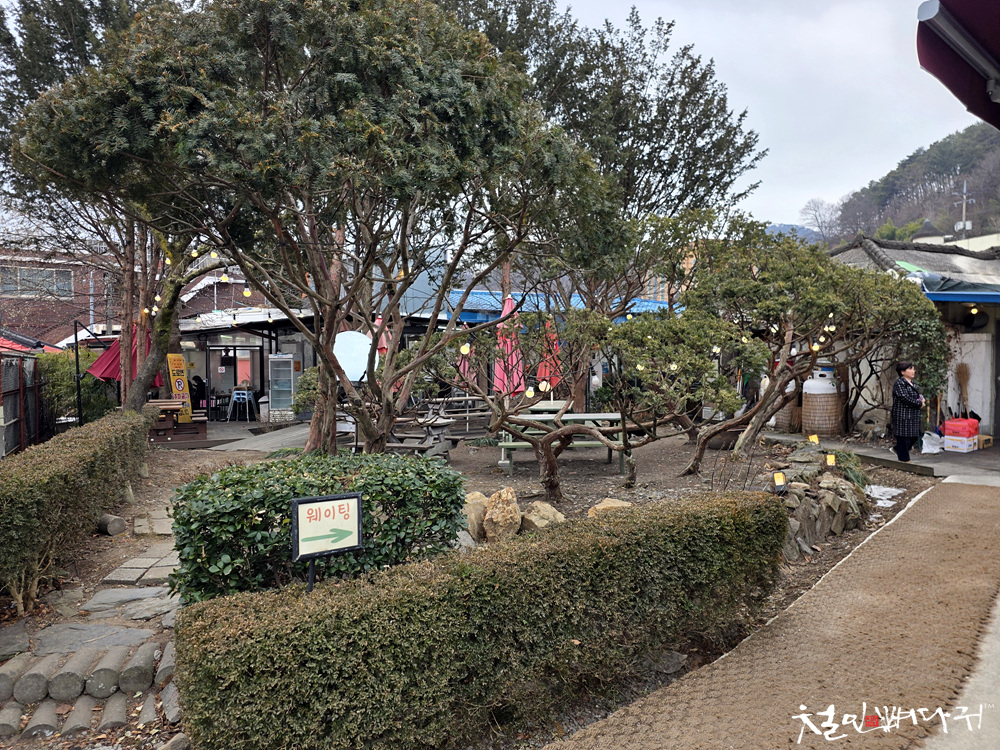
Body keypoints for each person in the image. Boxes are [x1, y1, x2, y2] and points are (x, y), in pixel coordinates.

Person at [891, 361, 925, 462]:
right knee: (904, 437)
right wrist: (919, 403)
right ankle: (904, 460)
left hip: (913, 414)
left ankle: (897, 449)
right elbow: (904, 398)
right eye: (910, 369)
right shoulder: (899, 383)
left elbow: (917, 395)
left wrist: (922, 400)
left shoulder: (913, 383)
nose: (913, 371)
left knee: (914, 436)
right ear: (902, 372)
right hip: (903, 415)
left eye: (913, 369)